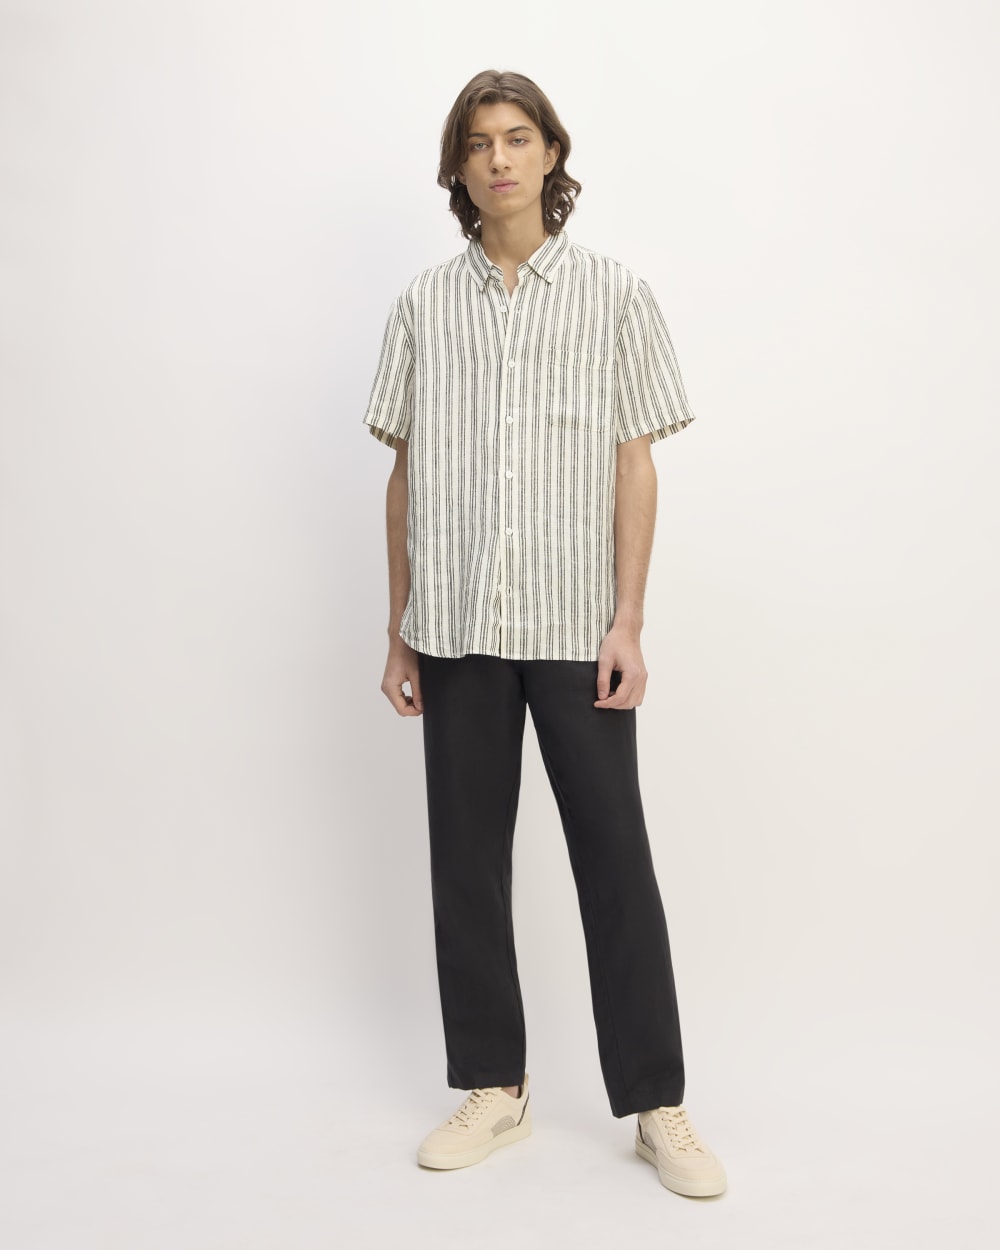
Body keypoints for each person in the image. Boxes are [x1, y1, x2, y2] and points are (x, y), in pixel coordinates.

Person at [361, 68, 726, 1198]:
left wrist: (629, 620)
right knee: (466, 863)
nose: (500, 159)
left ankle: (657, 1104)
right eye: (479, 143)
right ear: (459, 167)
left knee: (614, 858)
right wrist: (400, 631)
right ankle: (494, 1085)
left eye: (518, 138)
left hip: (577, 625)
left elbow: (634, 464)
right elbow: (404, 476)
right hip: (457, 623)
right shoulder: (424, 304)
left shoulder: (614, 294)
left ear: (551, 153)